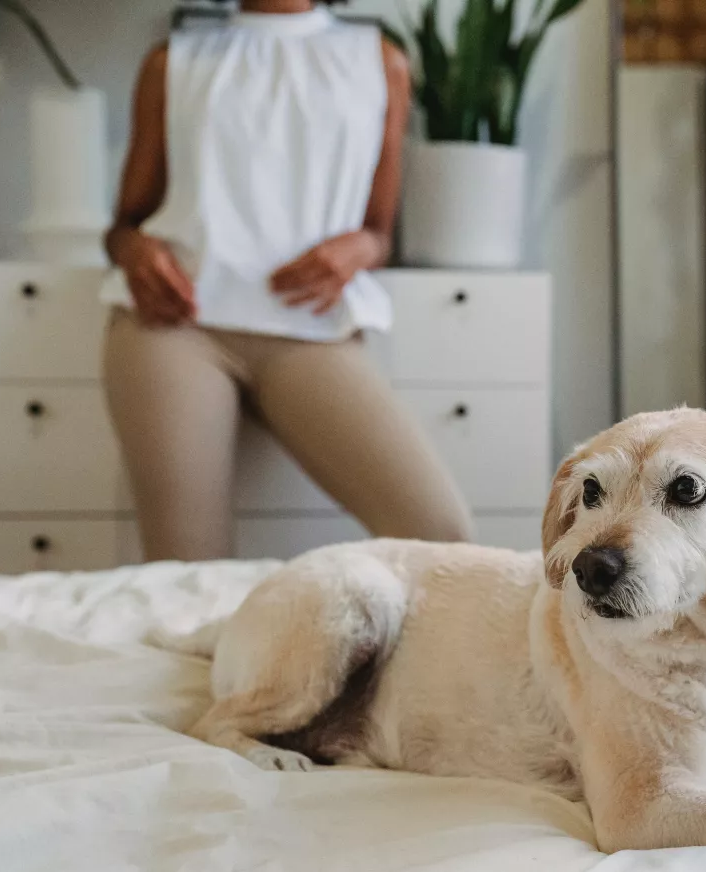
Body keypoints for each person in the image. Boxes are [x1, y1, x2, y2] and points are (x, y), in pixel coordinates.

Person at [101, 0, 473, 561]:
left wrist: (357, 250)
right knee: (185, 572)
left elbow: (378, 231)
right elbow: (124, 225)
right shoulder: (173, 61)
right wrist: (138, 252)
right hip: (177, 327)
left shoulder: (381, 62)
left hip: (310, 330)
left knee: (443, 534)